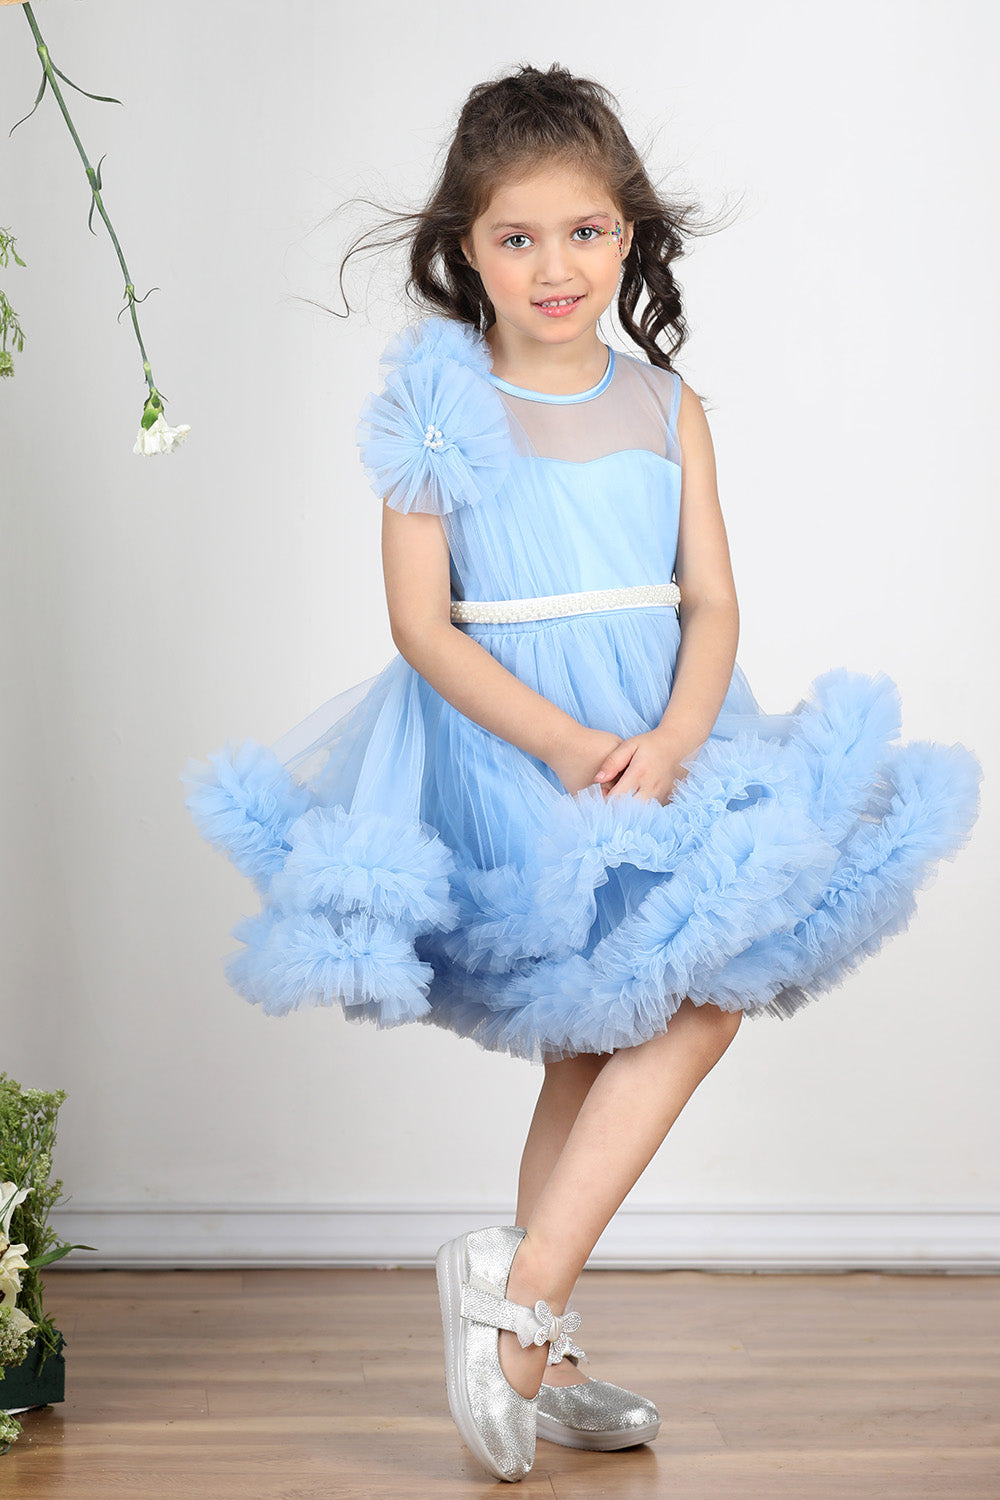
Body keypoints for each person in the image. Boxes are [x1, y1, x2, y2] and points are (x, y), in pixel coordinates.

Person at [180, 62, 983, 1484]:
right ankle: (523, 1307)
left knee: (649, 1012)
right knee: (632, 1017)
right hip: (516, 754)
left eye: (586, 232)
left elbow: (712, 600)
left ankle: (525, 1320)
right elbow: (419, 623)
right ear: (466, 245)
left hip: (662, 737)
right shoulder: (439, 403)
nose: (556, 267)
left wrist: (673, 739)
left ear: (630, 235)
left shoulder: (666, 404)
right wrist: (564, 747)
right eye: (518, 237)